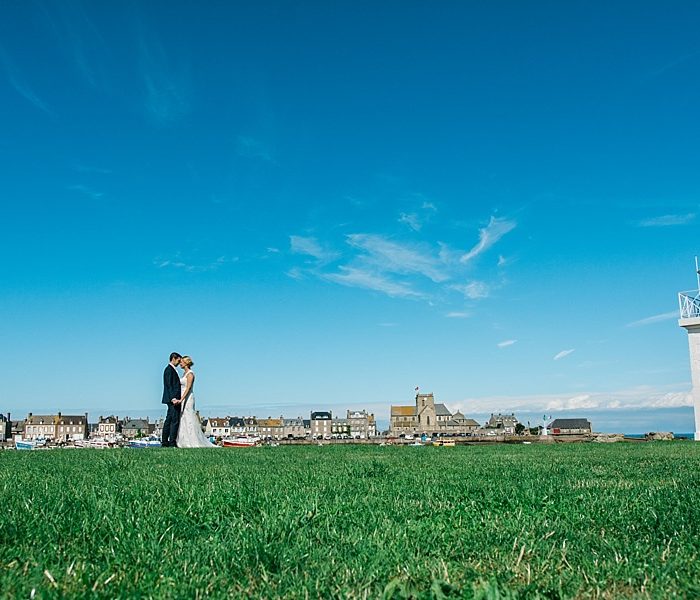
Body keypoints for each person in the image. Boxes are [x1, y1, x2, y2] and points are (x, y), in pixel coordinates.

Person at [176, 356, 217, 448]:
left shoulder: (190, 374)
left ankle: (192, 440)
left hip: (188, 397)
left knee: (189, 417)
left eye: (182, 362)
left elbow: (188, 388)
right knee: (182, 418)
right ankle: (183, 440)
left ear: (186, 363)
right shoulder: (183, 374)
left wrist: (181, 399)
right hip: (182, 396)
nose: (180, 363)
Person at [161, 352, 182, 447]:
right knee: (174, 420)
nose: (179, 362)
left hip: (171, 399)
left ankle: (165, 442)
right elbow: (169, 385)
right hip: (172, 399)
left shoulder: (171, 369)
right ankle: (172, 442)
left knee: (169, 420)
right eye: (178, 360)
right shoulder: (169, 370)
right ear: (174, 358)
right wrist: (173, 398)